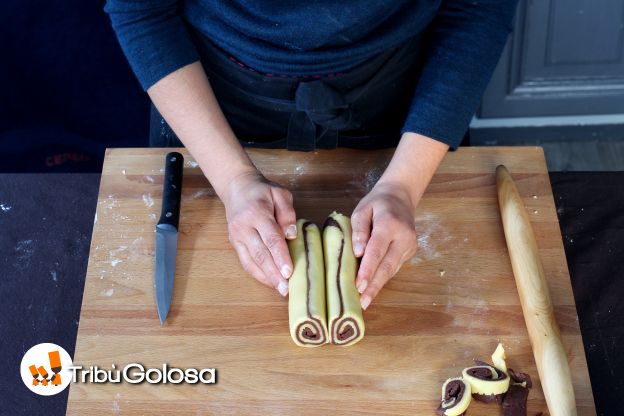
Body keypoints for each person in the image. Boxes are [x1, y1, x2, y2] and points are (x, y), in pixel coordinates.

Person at [105, 0, 518, 310]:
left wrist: (404, 185)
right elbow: (142, 10)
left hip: (407, 98)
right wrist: (232, 180)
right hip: (208, 100)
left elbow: (478, 8)